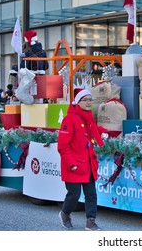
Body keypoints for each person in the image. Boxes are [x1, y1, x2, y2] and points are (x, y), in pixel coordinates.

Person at [57, 88, 106, 231]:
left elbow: (93, 133)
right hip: (74, 165)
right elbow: (62, 146)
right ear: (77, 102)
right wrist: (71, 163)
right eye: (86, 100)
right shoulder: (70, 119)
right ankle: (65, 214)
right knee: (74, 195)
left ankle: (91, 221)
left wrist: (105, 134)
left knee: (91, 194)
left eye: (90, 99)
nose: (89, 102)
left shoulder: (88, 117)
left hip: (88, 164)